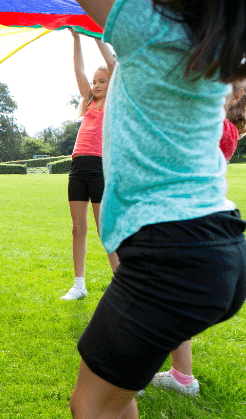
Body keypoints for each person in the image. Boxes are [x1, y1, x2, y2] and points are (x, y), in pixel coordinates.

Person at [69, 1, 246, 418]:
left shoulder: (150, 25)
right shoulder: (212, 37)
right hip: (219, 245)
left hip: (172, 253)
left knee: (91, 405)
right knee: (116, 392)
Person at [143, 82, 246, 397]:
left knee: (155, 297)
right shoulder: (228, 132)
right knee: (172, 301)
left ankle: (131, 375)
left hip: (179, 217)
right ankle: (182, 377)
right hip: (194, 220)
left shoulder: (216, 127)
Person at [61, 29, 119, 301]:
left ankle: (121, 281)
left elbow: (114, 66)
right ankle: (79, 284)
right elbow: (77, 69)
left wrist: (97, 36)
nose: (96, 85)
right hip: (78, 168)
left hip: (100, 168)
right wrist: (76, 38)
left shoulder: (116, 102)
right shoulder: (88, 103)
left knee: (103, 228)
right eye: (94, 82)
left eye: (102, 81)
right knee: (78, 228)